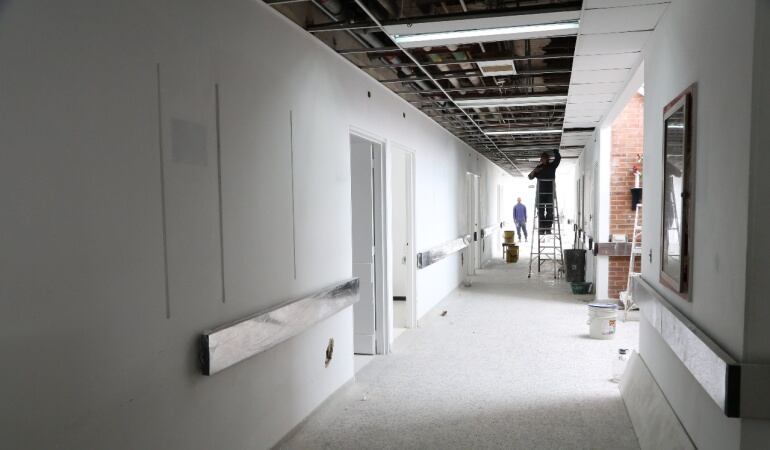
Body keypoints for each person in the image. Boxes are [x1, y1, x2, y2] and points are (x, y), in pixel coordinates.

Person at [528, 149, 561, 234]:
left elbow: (558, 159)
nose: (543, 160)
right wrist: (535, 170)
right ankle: (542, 228)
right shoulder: (539, 168)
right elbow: (530, 177)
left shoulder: (552, 166)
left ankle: (548, 228)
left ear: (548, 159)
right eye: (542, 158)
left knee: (550, 211)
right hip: (540, 194)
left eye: (545, 158)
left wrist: (555, 151)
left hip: (550, 193)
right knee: (541, 212)